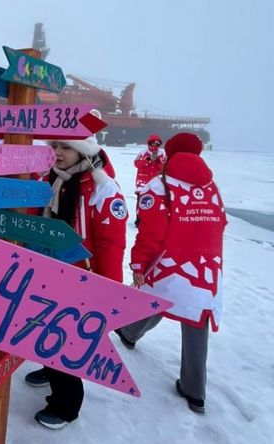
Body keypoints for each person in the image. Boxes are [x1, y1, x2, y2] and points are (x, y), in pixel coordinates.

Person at [115, 132, 226, 414]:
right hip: (206, 269)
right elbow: (220, 222)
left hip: (169, 265)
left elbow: (151, 233)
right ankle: (194, 390)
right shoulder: (212, 186)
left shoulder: (159, 186)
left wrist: (138, 263)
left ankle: (129, 332)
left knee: (157, 298)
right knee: (196, 317)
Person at [23, 134, 128, 429]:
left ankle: (66, 406)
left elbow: (110, 245)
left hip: (81, 280)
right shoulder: (49, 179)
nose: (57, 152)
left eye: (66, 147)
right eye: (54, 146)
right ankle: (49, 368)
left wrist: (110, 292)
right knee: (44, 329)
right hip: (47, 272)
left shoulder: (103, 188)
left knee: (65, 339)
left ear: (84, 151)